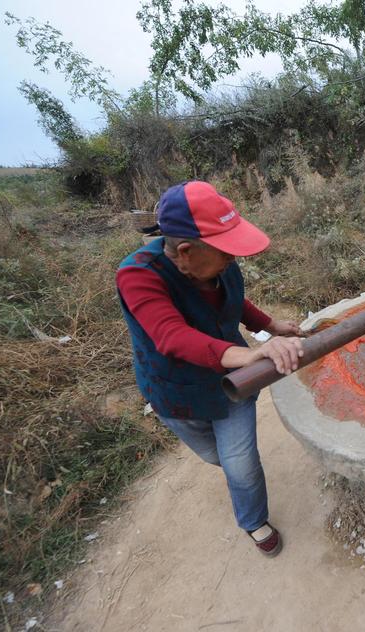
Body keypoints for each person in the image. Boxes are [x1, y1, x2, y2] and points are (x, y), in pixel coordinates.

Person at [117, 180, 305, 557]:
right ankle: (240, 477)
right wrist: (252, 354)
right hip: (177, 392)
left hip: (233, 383)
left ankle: (253, 520)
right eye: (226, 253)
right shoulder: (138, 276)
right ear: (185, 252)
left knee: (240, 463)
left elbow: (234, 300)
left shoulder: (217, 265)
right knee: (216, 456)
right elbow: (171, 336)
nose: (233, 260)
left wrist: (270, 327)